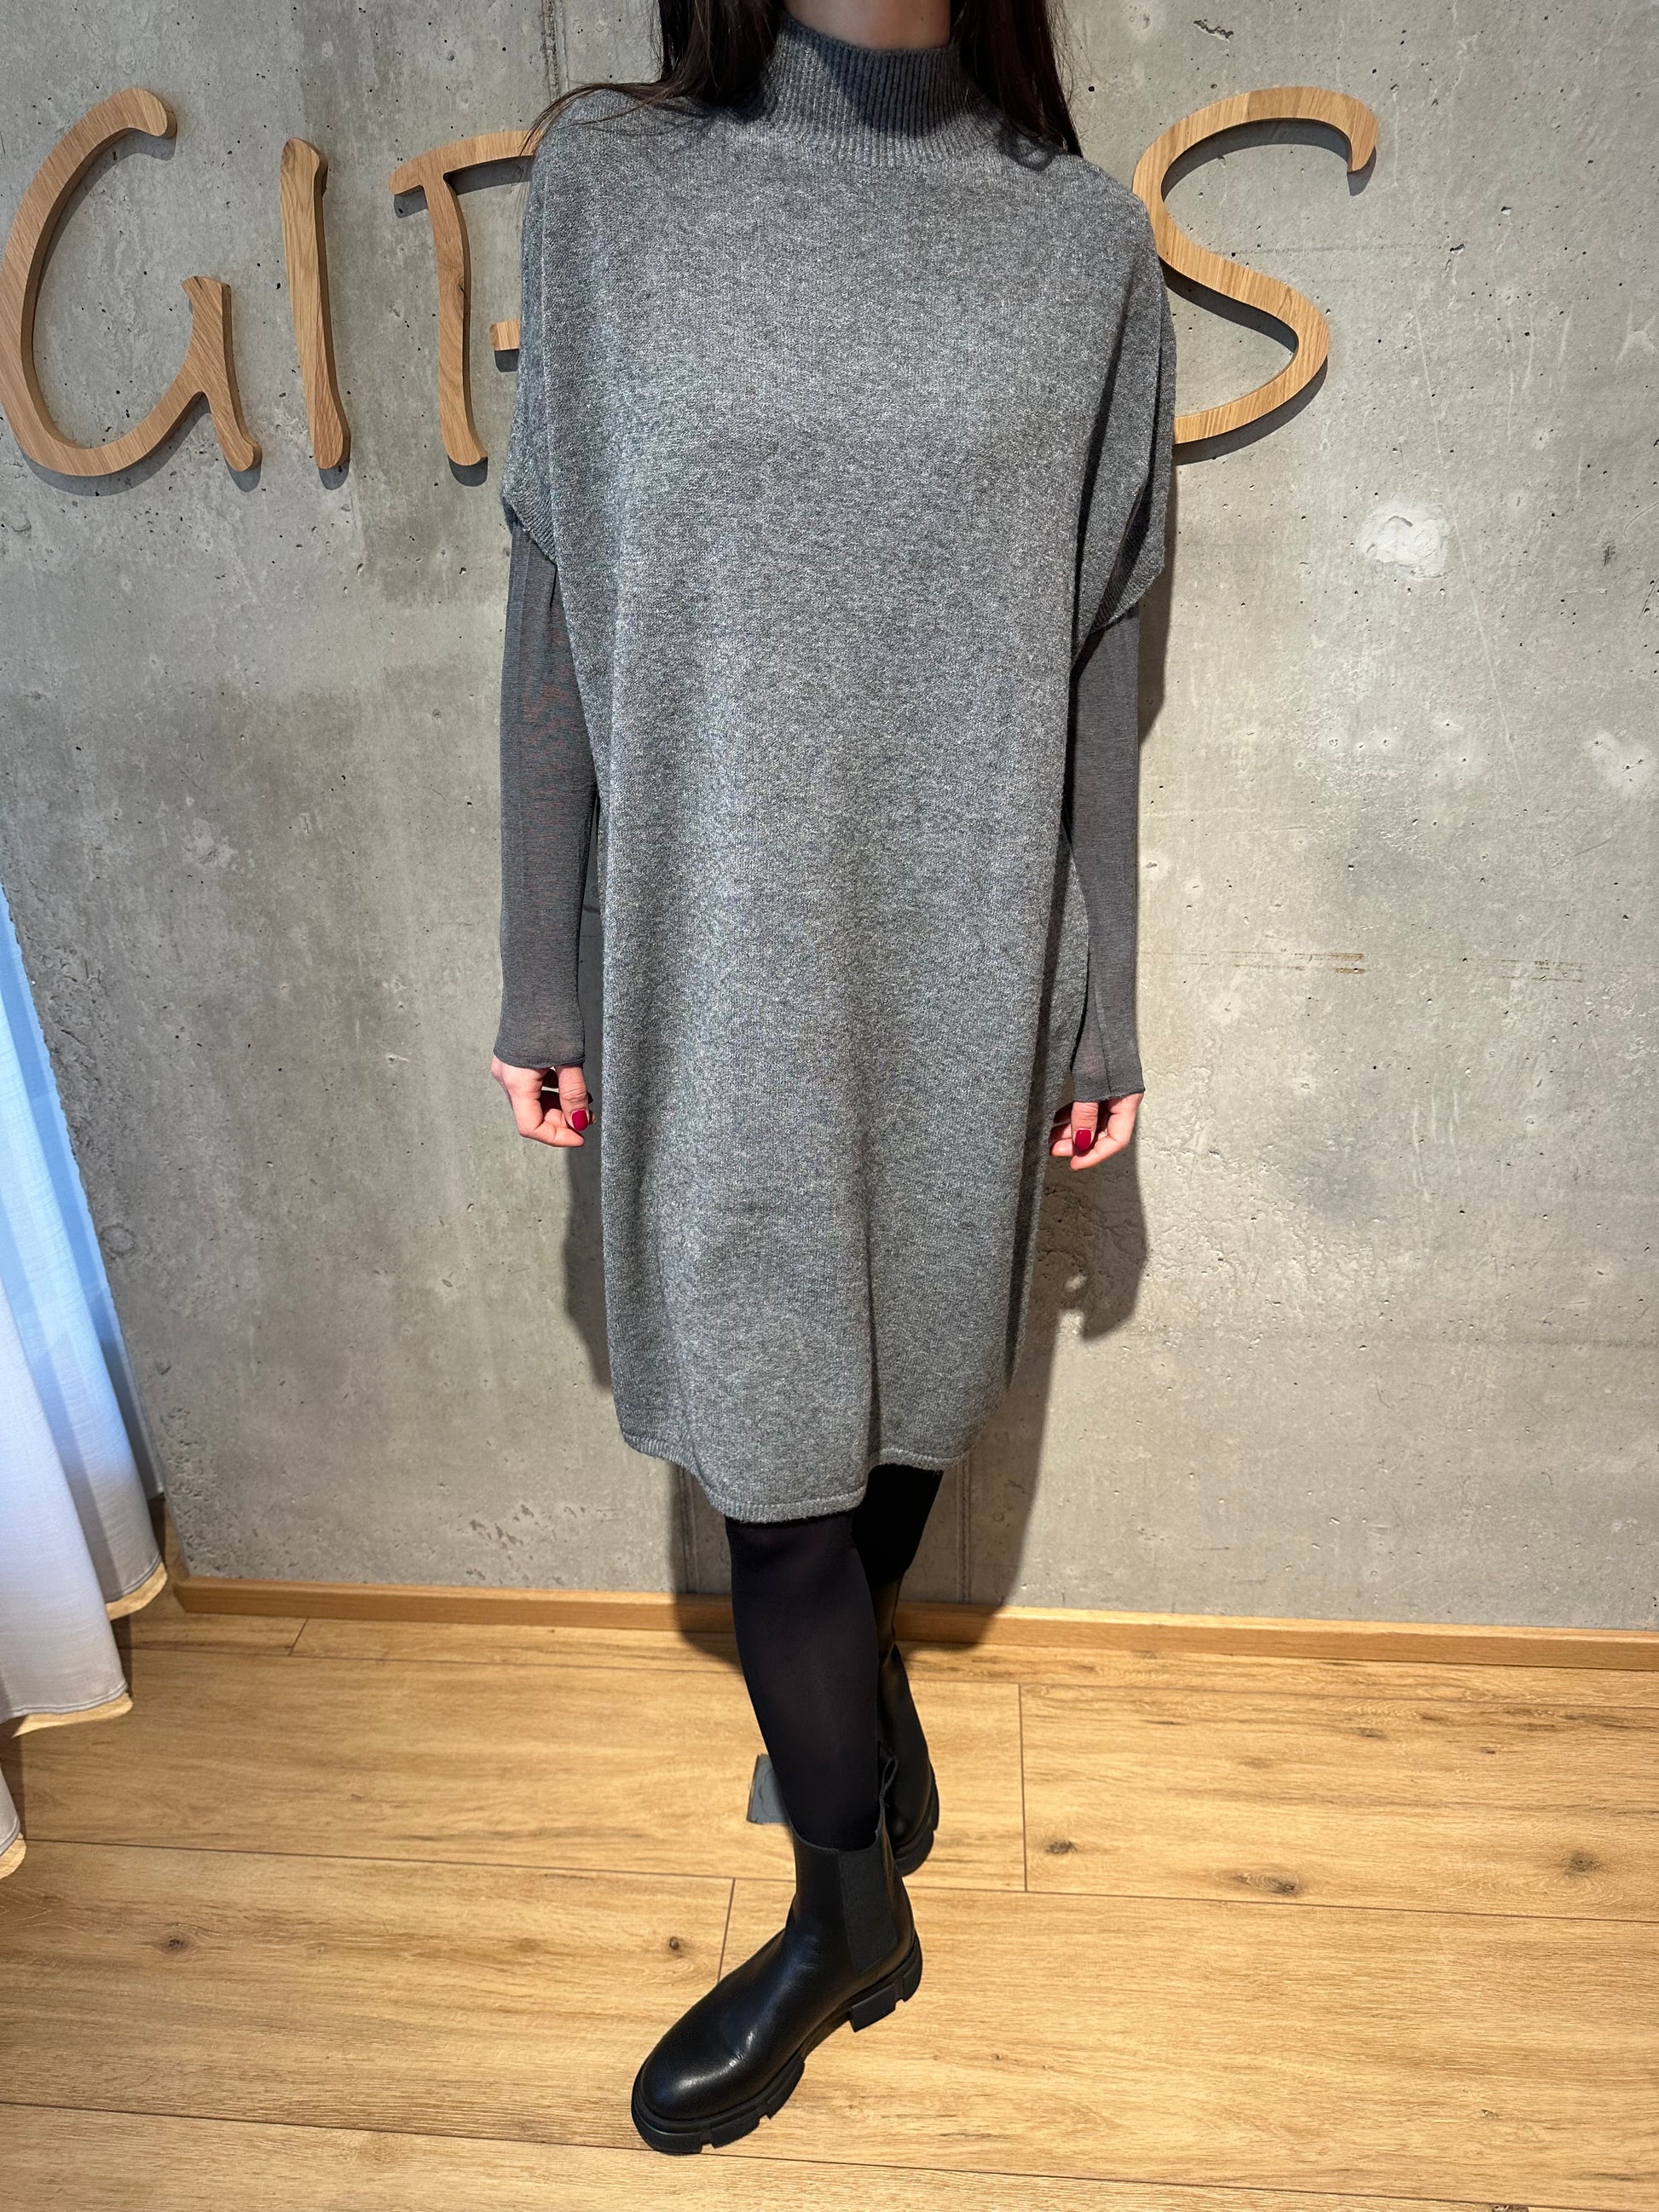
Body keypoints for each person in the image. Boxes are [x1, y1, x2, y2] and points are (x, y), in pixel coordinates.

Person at [488, 0, 1176, 2157]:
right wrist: (539, 971)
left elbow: (1099, 652)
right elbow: (550, 588)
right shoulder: (615, 191)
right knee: (776, 1452)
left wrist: (1104, 998)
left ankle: (855, 1709)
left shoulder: (1077, 246)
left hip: (967, 939)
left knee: (903, 1391)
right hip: (711, 939)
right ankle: (844, 1914)